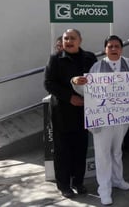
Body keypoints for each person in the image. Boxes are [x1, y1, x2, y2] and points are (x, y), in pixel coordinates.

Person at [72, 35, 129, 205]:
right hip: (102, 119)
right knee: (103, 154)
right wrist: (76, 82)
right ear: (105, 49)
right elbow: (86, 91)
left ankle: (117, 179)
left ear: (121, 49)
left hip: (122, 117)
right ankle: (104, 189)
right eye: (110, 46)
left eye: (116, 46)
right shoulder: (97, 67)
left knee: (117, 151)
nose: (113, 49)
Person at [44, 29, 97, 198]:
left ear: (80, 40)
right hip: (62, 112)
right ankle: (64, 185)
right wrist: (69, 97)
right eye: (66, 38)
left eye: (72, 38)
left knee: (80, 149)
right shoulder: (55, 59)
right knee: (63, 151)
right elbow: (48, 83)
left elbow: (98, 80)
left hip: (84, 112)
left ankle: (79, 182)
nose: (68, 41)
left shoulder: (90, 58)